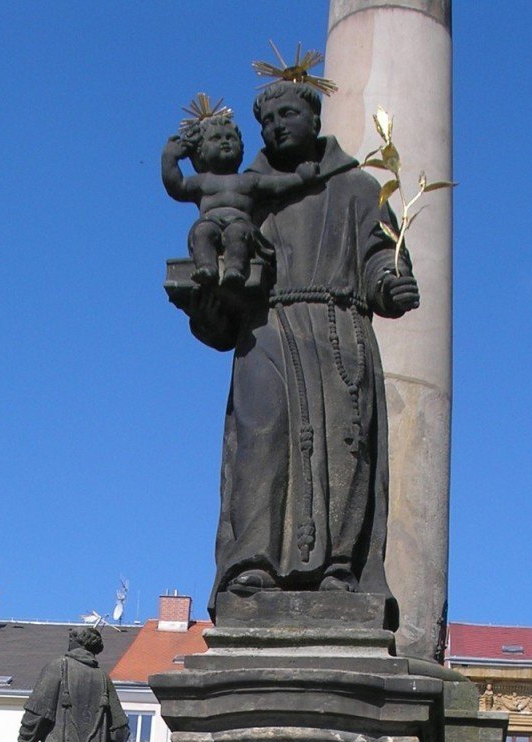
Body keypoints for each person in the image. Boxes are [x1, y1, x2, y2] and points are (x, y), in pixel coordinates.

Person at [189, 80, 419, 618]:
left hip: (339, 332)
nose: (276, 127)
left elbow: (379, 257)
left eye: (287, 114)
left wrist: (391, 281)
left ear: (314, 119)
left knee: (345, 447)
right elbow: (221, 291)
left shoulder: (359, 189)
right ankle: (251, 566)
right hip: (265, 329)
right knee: (259, 440)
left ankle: (339, 569)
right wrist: (210, 297)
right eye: (267, 120)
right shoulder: (245, 191)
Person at [161, 108, 318, 288]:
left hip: (240, 223)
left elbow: (277, 185)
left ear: (241, 149)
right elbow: (176, 186)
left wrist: (300, 178)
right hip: (209, 221)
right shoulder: (202, 182)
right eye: (216, 138)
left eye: (230, 138)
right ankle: (206, 268)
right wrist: (169, 158)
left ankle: (234, 270)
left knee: (236, 233)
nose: (225, 142)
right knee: (203, 232)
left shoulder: (249, 180)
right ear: (201, 152)